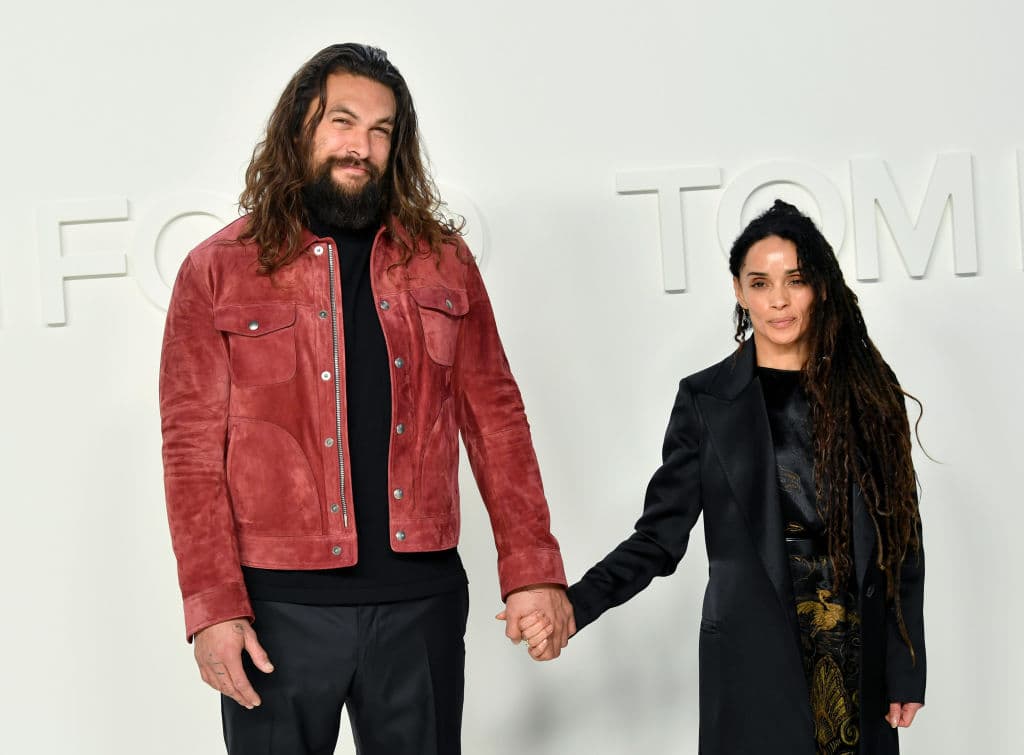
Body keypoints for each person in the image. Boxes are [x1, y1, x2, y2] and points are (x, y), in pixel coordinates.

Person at [159, 42, 572, 755]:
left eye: (382, 130)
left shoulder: (444, 262)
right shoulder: (216, 272)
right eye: (343, 122)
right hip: (277, 613)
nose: (363, 146)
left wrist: (533, 571)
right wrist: (212, 609)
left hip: (420, 606)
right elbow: (191, 455)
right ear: (300, 131)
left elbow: (497, 421)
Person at [519, 200, 925, 754]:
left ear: (822, 288)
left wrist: (904, 667)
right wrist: (575, 604)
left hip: (856, 660)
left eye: (796, 280)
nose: (778, 300)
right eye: (760, 283)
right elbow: (658, 540)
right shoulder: (706, 401)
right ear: (739, 291)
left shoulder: (870, 394)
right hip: (752, 663)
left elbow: (902, 545)